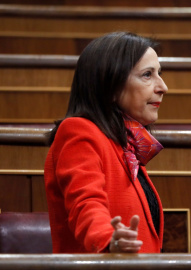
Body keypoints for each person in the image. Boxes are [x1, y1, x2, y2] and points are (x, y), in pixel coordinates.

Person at [44, 32, 168, 253]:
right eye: (148, 75)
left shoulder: (123, 144)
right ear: (110, 86)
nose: (163, 87)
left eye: (159, 73)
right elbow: (86, 204)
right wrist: (108, 238)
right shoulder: (78, 132)